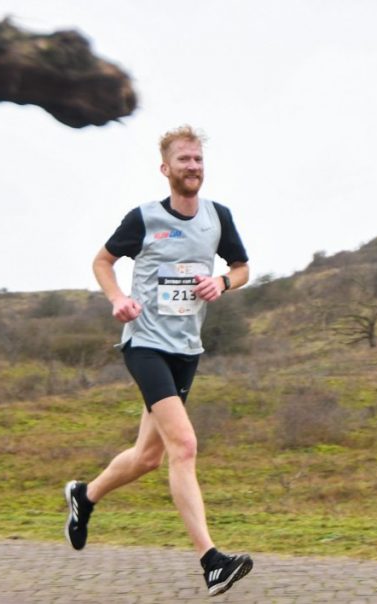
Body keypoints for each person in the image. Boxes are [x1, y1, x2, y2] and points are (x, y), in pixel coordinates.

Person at [65, 125, 253, 597]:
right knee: (184, 446)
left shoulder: (218, 217)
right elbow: (102, 261)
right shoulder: (144, 218)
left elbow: (242, 267)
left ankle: (84, 497)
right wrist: (117, 299)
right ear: (165, 168)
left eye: (198, 160)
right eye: (184, 160)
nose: (193, 167)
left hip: (187, 349)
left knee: (149, 456)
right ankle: (211, 560)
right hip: (145, 343)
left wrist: (224, 283)